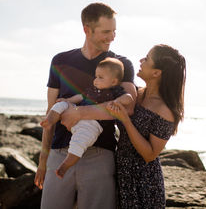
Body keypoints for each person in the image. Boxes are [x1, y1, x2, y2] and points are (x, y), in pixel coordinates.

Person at [34, 2, 136, 209]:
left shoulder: (120, 64)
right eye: (106, 31)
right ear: (86, 30)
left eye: (114, 31)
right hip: (59, 152)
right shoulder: (60, 61)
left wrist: (79, 113)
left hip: (99, 156)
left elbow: (128, 106)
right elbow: (50, 113)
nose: (112, 37)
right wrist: (42, 162)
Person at [61, 44, 186, 208]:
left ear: (156, 72)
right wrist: (74, 110)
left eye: (147, 58)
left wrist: (126, 121)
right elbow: (103, 101)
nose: (141, 60)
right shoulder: (134, 93)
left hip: (144, 181)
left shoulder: (165, 110)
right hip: (120, 168)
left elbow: (150, 154)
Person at [40, 57, 133, 178]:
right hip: (75, 117)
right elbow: (80, 97)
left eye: (100, 77)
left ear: (114, 81)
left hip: (92, 125)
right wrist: (67, 100)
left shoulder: (115, 91)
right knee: (60, 104)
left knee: (79, 142)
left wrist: (117, 101)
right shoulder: (92, 90)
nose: (96, 80)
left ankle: (65, 165)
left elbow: (129, 98)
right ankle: (50, 121)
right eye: (96, 76)